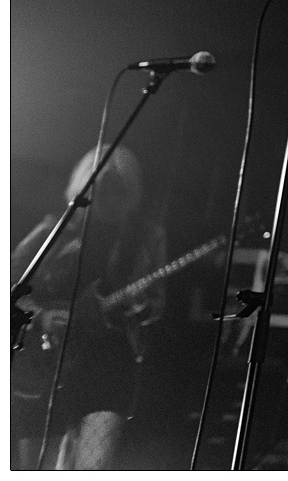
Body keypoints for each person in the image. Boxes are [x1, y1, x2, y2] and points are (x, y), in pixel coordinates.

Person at [11, 146, 167, 469]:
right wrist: (40, 317)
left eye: (118, 188)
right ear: (86, 184)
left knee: (92, 469)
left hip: (108, 364)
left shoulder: (147, 237)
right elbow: (10, 286)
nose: (109, 196)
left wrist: (140, 309)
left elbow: (155, 303)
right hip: (45, 366)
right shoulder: (54, 231)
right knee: (35, 470)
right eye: (102, 186)